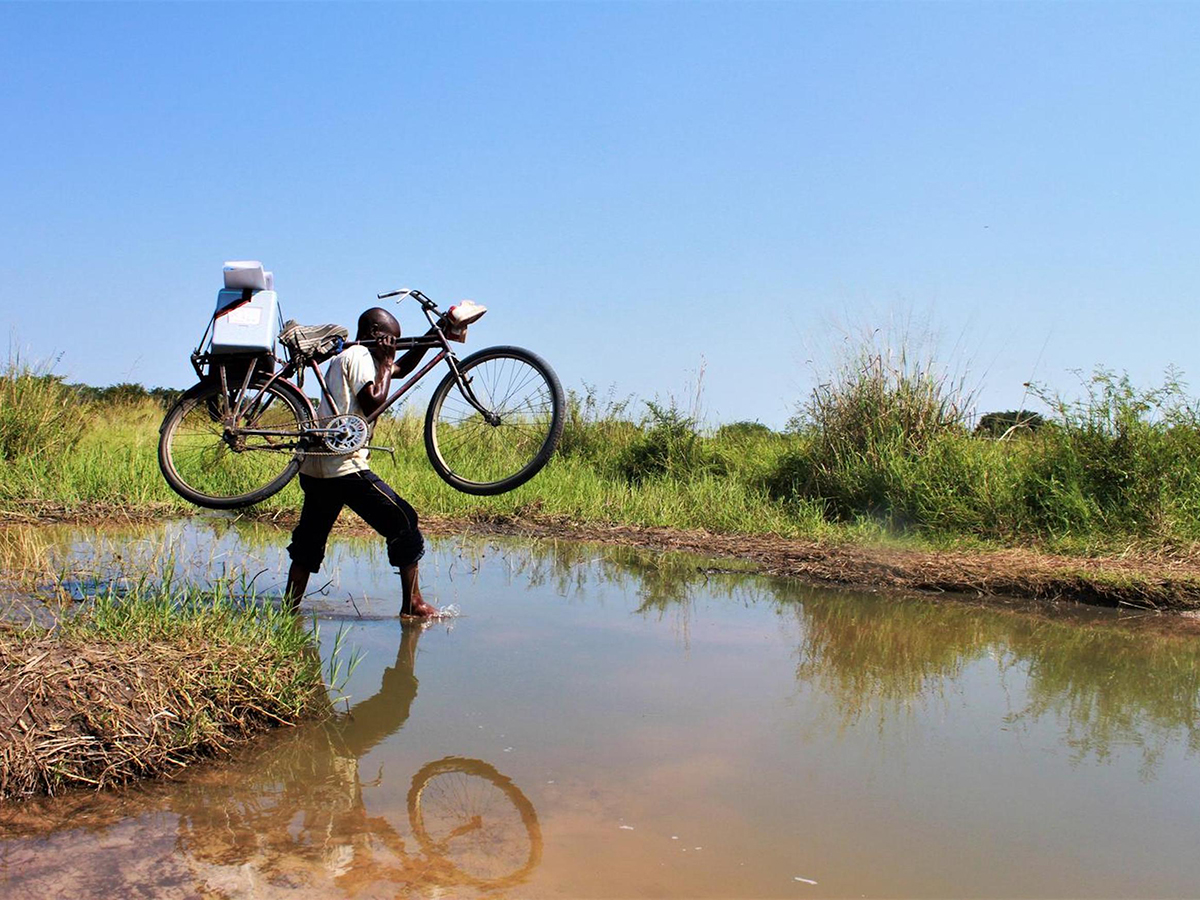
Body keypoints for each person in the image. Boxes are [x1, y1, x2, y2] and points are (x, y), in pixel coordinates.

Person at [284, 307, 439, 617]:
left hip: (318, 467)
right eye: (389, 339)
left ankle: (290, 609)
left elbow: (401, 369)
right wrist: (386, 361)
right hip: (344, 465)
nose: (393, 345)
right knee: (404, 522)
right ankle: (413, 604)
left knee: (309, 540)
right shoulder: (357, 356)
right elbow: (373, 400)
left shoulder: (358, 359)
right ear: (372, 335)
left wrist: (433, 335)